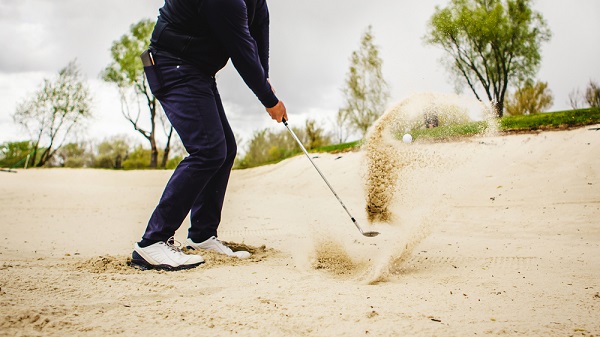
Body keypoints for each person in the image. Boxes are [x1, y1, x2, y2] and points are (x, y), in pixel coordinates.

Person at [131, 0, 288, 271]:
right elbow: (241, 49)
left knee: (225, 149)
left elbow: (259, 30)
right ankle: (152, 243)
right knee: (208, 150)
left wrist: (265, 78)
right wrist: (269, 100)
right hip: (171, 64)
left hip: (197, 70)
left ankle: (202, 235)